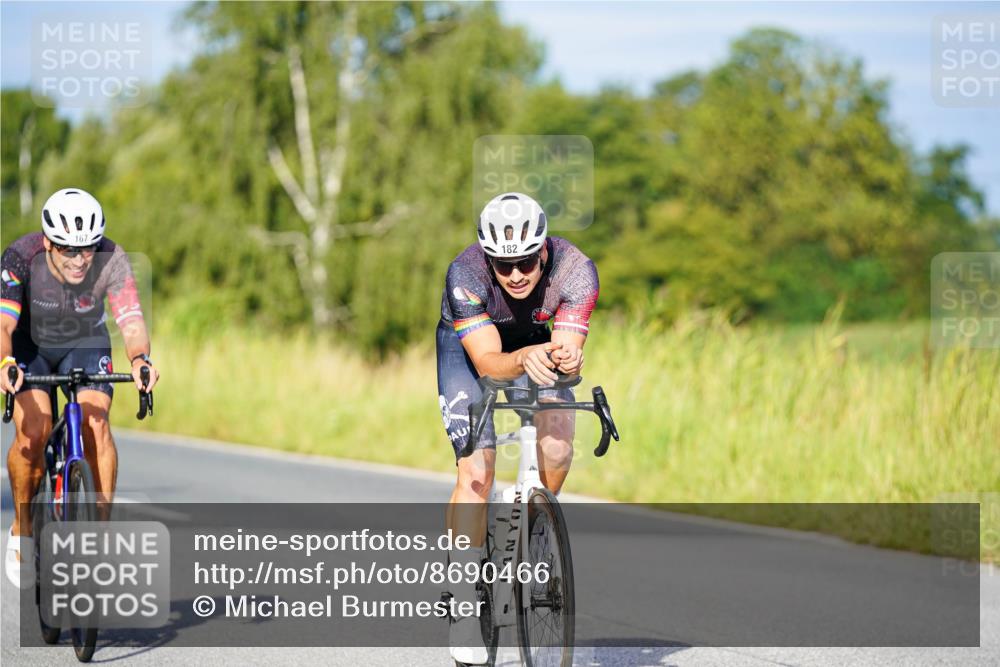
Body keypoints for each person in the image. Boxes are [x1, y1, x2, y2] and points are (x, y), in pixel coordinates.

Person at [437, 192, 598, 663]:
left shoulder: (575, 270)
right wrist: (524, 357)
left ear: (544, 249)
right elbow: (488, 363)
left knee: (559, 446)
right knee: (476, 475)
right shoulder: (464, 275)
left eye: (526, 262)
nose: (515, 275)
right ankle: (466, 600)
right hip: (470, 346)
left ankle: (537, 527)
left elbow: (565, 352)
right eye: (503, 265)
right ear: (488, 259)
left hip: (536, 338)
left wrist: (565, 355)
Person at [1, 188, 160, 588]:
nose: (80, 260)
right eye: (70, 250)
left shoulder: (113, 259)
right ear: (50, 243)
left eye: (87, 249)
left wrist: (140, 359)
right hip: (30, 345)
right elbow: (3, 325)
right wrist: (5, 363)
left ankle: (97, 542)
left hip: (84, 343)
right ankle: (22, 527)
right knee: (34, 431)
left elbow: (131, 320)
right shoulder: (21, 257)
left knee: (96, 427)